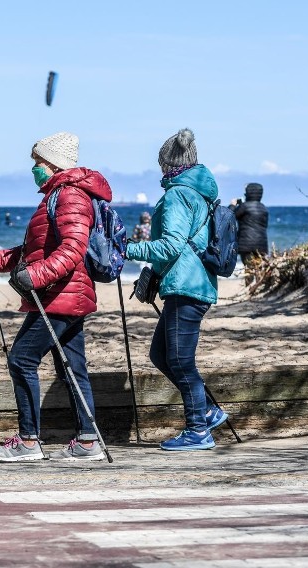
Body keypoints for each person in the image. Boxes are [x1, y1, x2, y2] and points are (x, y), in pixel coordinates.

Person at [0, 132, 112, 462]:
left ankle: (28, 441)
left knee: (21, 359)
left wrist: (34, 277)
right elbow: (35, 251)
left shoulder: (70, 197)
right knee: (72, 370)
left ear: (52, 164)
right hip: (64, 294)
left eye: (37, 163)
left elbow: (72, 250)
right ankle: (88, 443)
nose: (34, 169)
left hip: (58, 296)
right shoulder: (57, 196)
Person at [125, 128, 226, 451]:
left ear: (169, 164)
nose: (159, 171)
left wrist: (126, 249)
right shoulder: (199, 192)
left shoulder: (178, 195)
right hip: (191, 284)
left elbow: (169, 246)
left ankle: (198, 429)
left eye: (160, 164)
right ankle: (207, 412)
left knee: (181, 361)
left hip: (187, 286)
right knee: (160, 355)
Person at [233, 182, 269, 266]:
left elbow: (230, 217)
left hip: (246, 245)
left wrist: (232, 205)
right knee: (258, 270)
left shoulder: (244, 206)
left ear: (249, 193)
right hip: (262, 245)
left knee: (249, 269)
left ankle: (249, 279)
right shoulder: (264, 208)